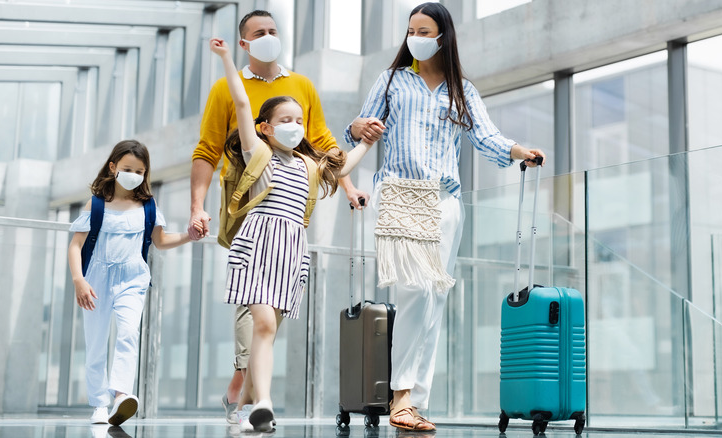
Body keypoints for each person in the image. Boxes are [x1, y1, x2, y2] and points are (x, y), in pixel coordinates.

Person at [345, 2, 546, 432]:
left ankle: (415, 401)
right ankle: (400, 396)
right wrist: (359, 126)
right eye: (410, 29)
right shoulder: (392, 80)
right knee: (416, 290)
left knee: (434, 299)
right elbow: (358, 128)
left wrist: (519, 152)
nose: (415, 36)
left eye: (424, 30)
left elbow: (486, 137)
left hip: (446, 201)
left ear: (442, 37)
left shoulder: (461, 90)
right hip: (401, 191)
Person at [188, 10, 371, 425]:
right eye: (259, 32)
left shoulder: (305, 147)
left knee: (270, 328)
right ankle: (258, 401)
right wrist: (224, 62)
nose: (294, 126)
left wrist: (359, 157)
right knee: (261, 321)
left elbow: (332, 157)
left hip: (291, 248)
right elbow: (216, 134)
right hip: (255, 234)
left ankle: (245, 398)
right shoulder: (259, 149)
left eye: (273, 30)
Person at [67, 140, 200, 425]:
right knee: (96, 342)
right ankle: (99, 404)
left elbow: (161, 241)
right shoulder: (97, 204)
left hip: (133, 278)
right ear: (113, 167)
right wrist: (79, 280)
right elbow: (76, 245)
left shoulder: (148, 206)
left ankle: (120, 396)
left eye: (140, 171)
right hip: (96, 280)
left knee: (128, 333)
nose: (134, 175)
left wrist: (189, 235)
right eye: (128, 168)